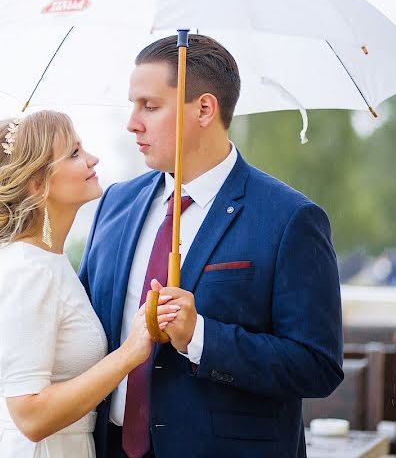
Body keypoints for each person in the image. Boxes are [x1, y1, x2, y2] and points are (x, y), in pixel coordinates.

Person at [79, 34, 344, 458]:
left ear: (204, 108)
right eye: (133, 104)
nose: (132, 122)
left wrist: (199, 335)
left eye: (150, 106)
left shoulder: (289, 218)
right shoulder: (116, 203)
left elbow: (317, 366)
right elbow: (85, 326)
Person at [0, 110, 178, 457]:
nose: (92, 159)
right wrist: (129, 353)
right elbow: (30, 416)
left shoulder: (49, 261)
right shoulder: (26, 271)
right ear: (38, 184)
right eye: (75, 153)